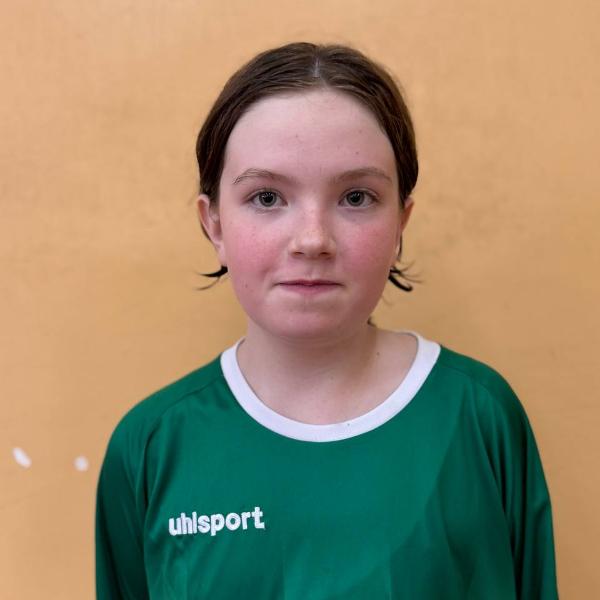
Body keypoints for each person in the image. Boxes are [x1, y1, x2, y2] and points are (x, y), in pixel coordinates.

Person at [95, 42, 559, 599]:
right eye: (267, 197)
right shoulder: (151, 446)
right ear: (213, 223)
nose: (313, 239)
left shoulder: (479, 416)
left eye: (356, 197)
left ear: (401, 222)